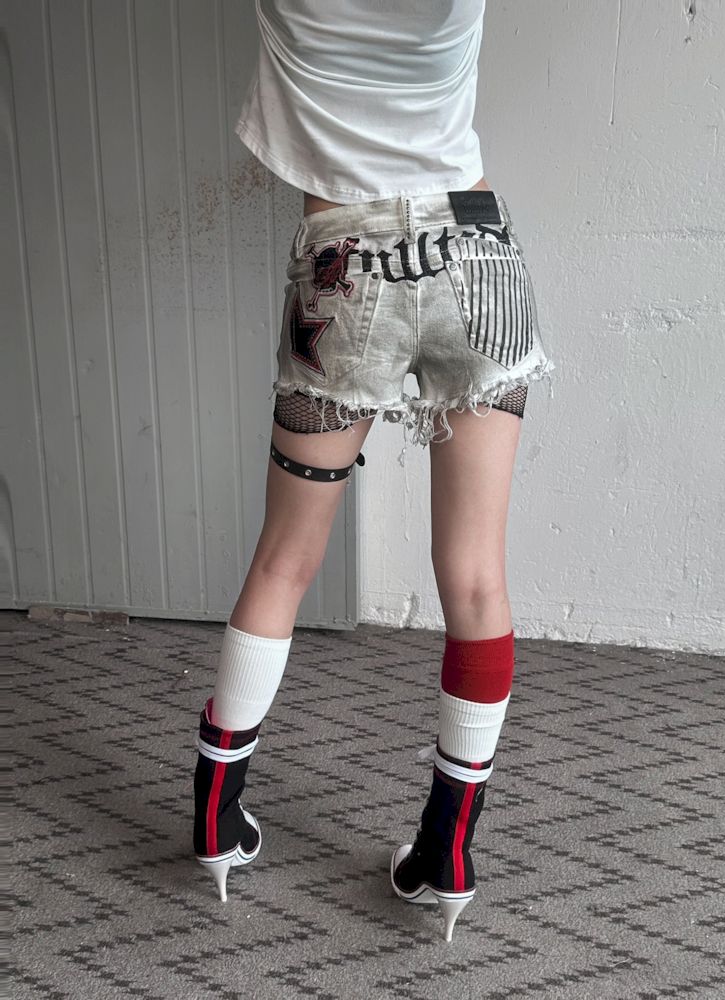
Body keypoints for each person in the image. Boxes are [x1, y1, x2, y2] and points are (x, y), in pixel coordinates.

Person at [192, 0, 556, 943]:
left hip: (342, 261)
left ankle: (215, 815)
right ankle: (449, 851)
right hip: (477, 247)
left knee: (283, 559)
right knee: (475, 577)